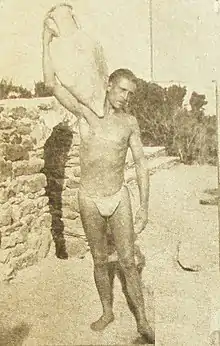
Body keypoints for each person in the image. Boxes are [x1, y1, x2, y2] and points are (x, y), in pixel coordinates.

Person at [42, 19, 154, 344]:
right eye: (122, 90)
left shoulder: (129, 123)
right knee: (100, 260)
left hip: (119, 197)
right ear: (108, 85)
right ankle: (107, 310)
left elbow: (142, 165)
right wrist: (45, 38)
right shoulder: (87, 115)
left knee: (129, 261)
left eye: (131, 94)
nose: (126, 98)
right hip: (89, 197)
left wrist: (145, 205)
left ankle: (143, 320)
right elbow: (52, 83)